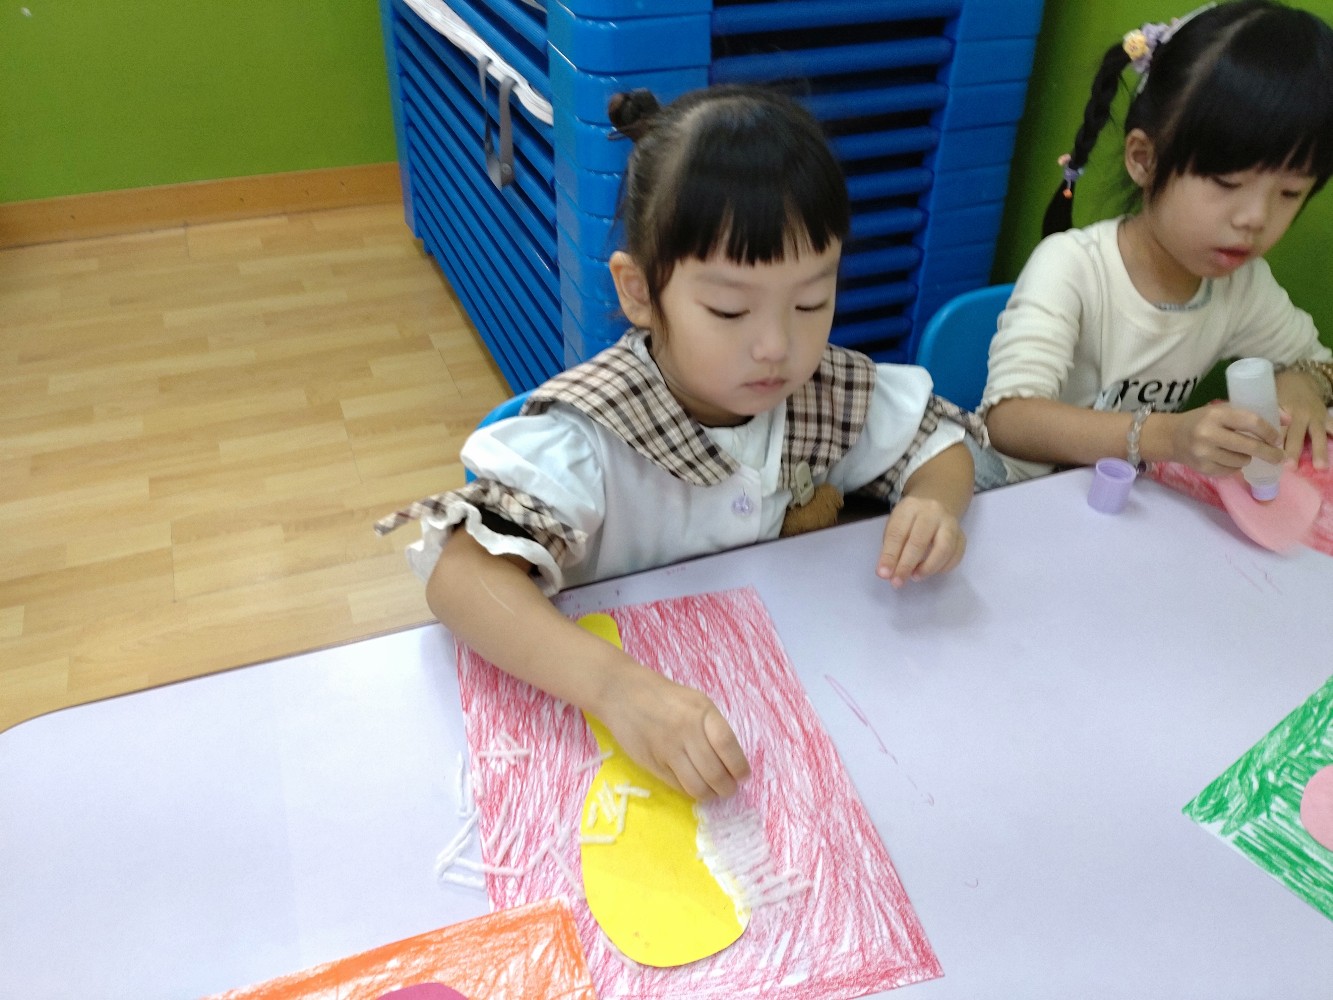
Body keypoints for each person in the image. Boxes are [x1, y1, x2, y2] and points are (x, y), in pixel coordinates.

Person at [374, 84, 981, 800]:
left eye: (810, 301)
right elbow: (461, 577)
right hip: (613, 740)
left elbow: (936, 442)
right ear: (639, 291)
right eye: (728, 310)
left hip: (795, 704)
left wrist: (933, 504)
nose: (776, 345)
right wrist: (614, 688)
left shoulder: (826, 391)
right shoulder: (592, 436)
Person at [981, 0, 1333, 485]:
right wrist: (1166, 435)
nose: (1255, 219)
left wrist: (1302, 382)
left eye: (1289, 193)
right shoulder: (1073, 267)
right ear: (1144, 160)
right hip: (1017, 493)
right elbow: (1009, 421)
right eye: (1227, 183)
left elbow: (1315, 360)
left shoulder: (1241, 285)